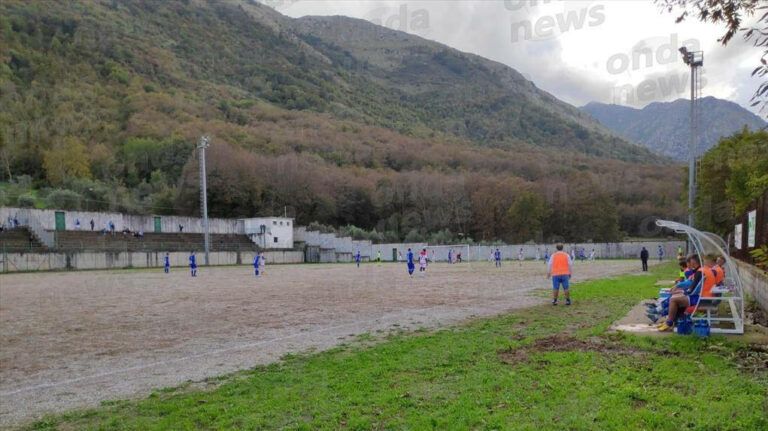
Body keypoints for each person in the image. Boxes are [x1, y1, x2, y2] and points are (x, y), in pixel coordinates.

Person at [658, 254, 715, 332]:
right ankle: (677, 321)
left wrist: (683, 293)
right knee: (677, 298)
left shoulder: (700, 272)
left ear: (693, 261)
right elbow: (695, 287)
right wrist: (682, 292)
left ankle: (669, 323)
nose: (688, 264)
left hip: (701, 298)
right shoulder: (705, 270)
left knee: (674, 300)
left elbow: (693, 290)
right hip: (705, 297)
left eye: (689, 262)